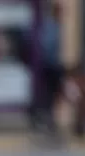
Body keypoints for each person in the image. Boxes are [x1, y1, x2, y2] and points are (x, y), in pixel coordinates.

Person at [32, 2, 65, 136]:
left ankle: (50, 119)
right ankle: (46, 120)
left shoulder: (56, 26)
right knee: (49, 95)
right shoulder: (51, 26)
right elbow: (47, 47)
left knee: (54, 96)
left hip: (53, 65)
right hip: (50, 66)